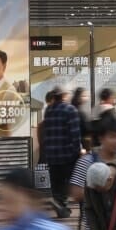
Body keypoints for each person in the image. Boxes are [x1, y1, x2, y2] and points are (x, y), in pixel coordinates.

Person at [41, 87, 84, 219]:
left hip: (52, 156)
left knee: (57, 184)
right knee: (76, 181)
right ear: (64, 96)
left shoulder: (48, 110)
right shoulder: (71, 110)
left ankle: (61, 206)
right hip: (68, 155)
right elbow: (75, 134)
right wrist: (78, 151)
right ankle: (84, 210)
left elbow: (46, 132)